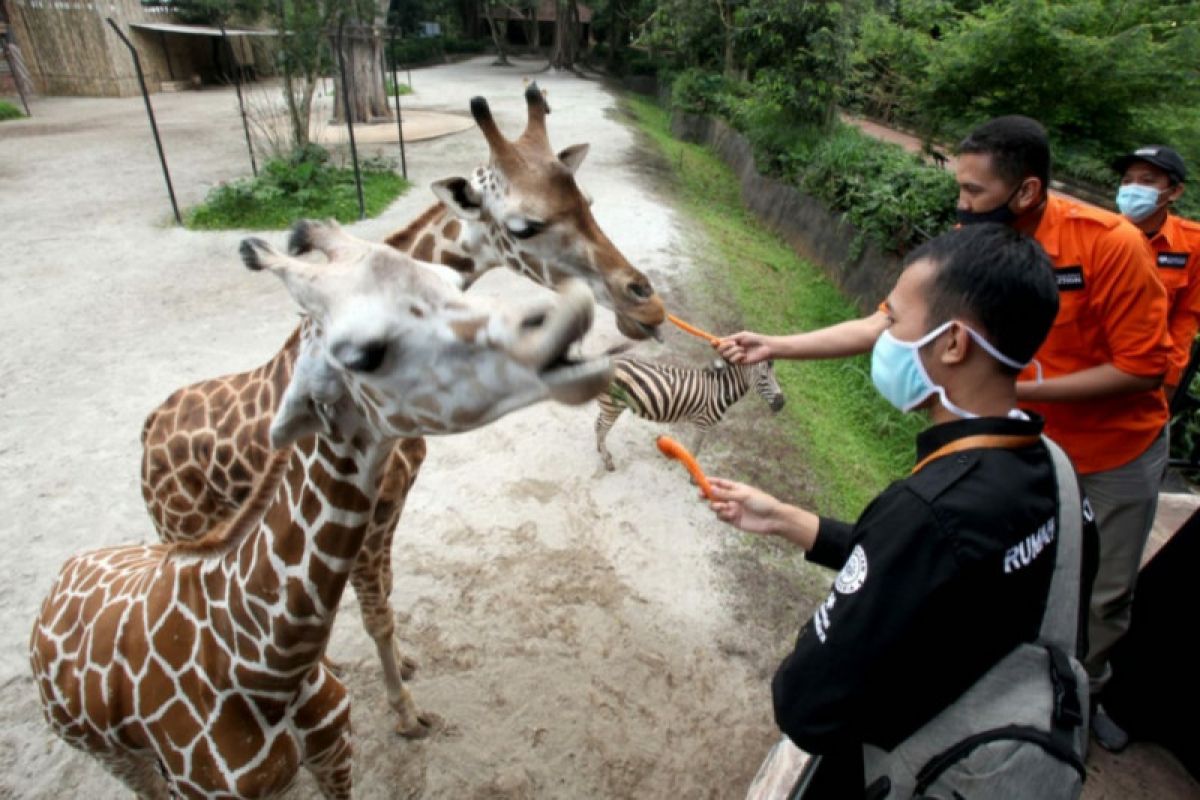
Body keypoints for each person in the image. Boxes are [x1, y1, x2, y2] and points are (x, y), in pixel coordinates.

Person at [718, 115, 1170, 753]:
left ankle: (1071, 704)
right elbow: (881, 322)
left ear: (1027, 192)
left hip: (1097, 447)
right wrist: (777, 347)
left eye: (973, 193)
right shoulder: (965, 254)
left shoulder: (1110, 245)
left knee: (1094, 596)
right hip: (1027, 447)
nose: (960, 205)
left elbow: (1143, 367)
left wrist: (1010, 388)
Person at [709, 223, 1095, 798]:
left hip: (903, 770)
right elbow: (944, 573)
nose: (883, 335)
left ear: (953, 344)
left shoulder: (929, 509)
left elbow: (805, 706)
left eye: (893, 320)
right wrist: (784, 519)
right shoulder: (1054, 470)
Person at [1113, 145, 1200, 402]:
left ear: (1174, 191)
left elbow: (1185, 322)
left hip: (1144, 378)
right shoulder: (1096, 233)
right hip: (1087, 370)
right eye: (1127, 180)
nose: (1133, 188)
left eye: (1147, 181)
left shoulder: (1193, 245)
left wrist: (1167, 387)